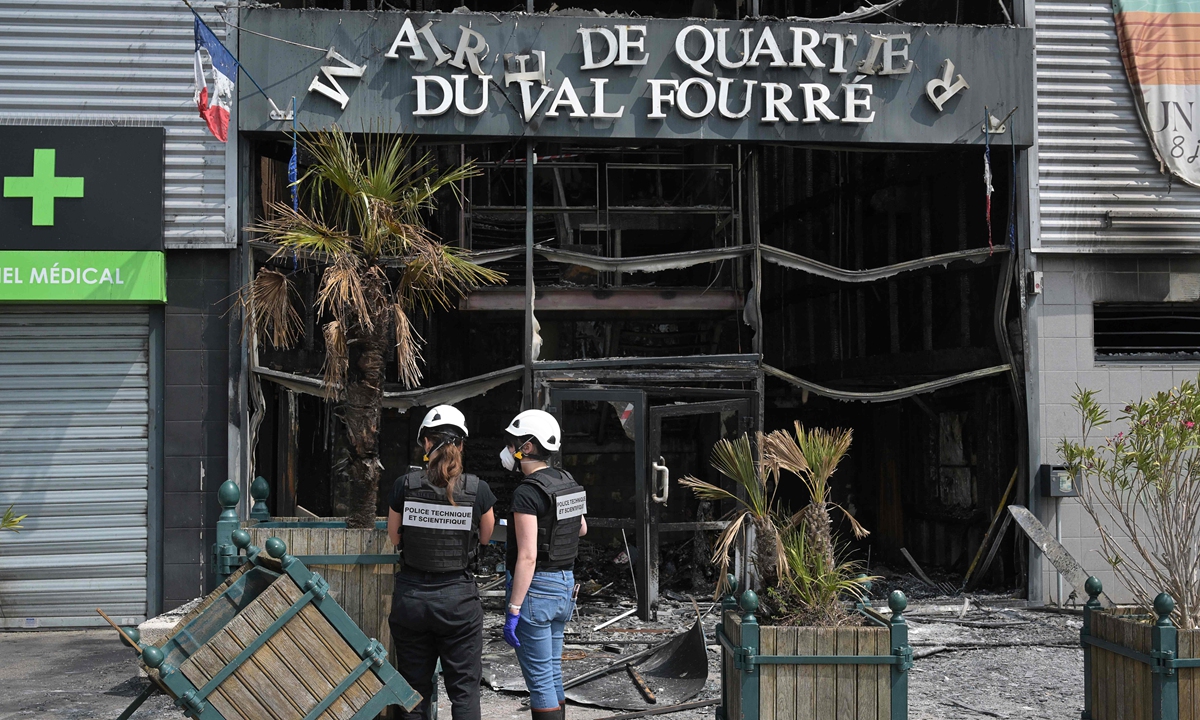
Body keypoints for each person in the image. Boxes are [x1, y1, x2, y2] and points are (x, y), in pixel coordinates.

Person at [388, 404, 496, 720]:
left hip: (411, 600)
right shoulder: (478, 489)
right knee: (464, 693)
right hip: (457, 601)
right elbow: (486, 537)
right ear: (461, 445)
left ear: (426, 443)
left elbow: (395, 538)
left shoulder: (404, 485)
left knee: (413, 691)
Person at [500, 409, 587, 720]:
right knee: (550, 672)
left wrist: (513, 609)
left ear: (529, 446)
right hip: (564, 587)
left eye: (513, 443)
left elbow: (528, 556)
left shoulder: (527, 492)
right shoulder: (566, 480)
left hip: (536, 591)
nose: (509, 449)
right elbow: (581, 528)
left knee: (539, 683)